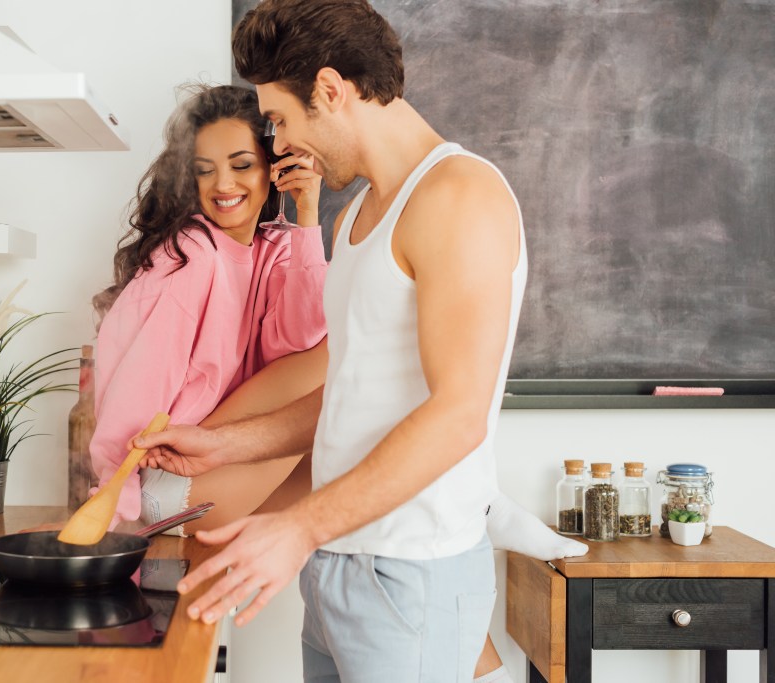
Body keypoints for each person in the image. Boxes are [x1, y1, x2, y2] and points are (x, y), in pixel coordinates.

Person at [133, 2, 581, 681]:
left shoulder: (458, 197)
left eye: (281, 119)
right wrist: (225, 444)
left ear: (333, 91)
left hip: (409, 575)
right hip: (342, 566)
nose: (279, 144)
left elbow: (458, 414)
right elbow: (351, 394)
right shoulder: (361, 216)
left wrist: (299, 526)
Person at [88, 83, 329, 538]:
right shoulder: (192, 253)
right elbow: (139, 382)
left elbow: (299, 340)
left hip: (223, 468)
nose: (223, 185)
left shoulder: (275, 248)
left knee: (353, 424)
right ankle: (482, 510)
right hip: (171, 481)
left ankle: (474, 506)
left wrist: (310, 213)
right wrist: (114, 493)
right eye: (205, 171)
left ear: (273, 169)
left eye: (241, 165)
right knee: (357, 350)